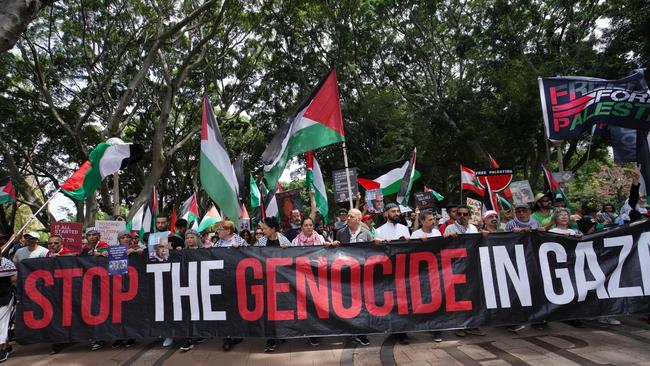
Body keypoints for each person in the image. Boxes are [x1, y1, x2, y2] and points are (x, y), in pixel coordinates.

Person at [373, 203, 411, 344]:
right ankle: (395, 330)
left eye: (398, 211)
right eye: (393, 211)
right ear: (386, 214)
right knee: (392, 303)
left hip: (403, 271)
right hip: (388, 273)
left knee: (404, 302)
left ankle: (403, 332)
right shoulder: (379, 231)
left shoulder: (404, 229)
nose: (396, 213)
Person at [254, 218, 290, 353]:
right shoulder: (261, 242)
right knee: (268, 310)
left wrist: (288, 251)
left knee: (281, 307)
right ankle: (271, 338)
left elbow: (294, 258)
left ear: (273, 229)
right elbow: (251, 254)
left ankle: (281, 333)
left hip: (281, 281)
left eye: (265, 229)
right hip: (266, 281)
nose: (263, 231)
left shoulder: (285, 241)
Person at [178, 229, 206, 351]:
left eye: (191, 237)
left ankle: (200, 334)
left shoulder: (205, 251)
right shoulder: (182, 252)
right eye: (187, 238)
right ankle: (189, 338)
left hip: (201, 285)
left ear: (197, 239)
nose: (189, 240)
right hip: (186, 286)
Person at [0, 257, 16, 362]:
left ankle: (2, 349)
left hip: (4, 297)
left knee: (2, 323)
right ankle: (6, 345)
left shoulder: (6, 262)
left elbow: (14, 278)